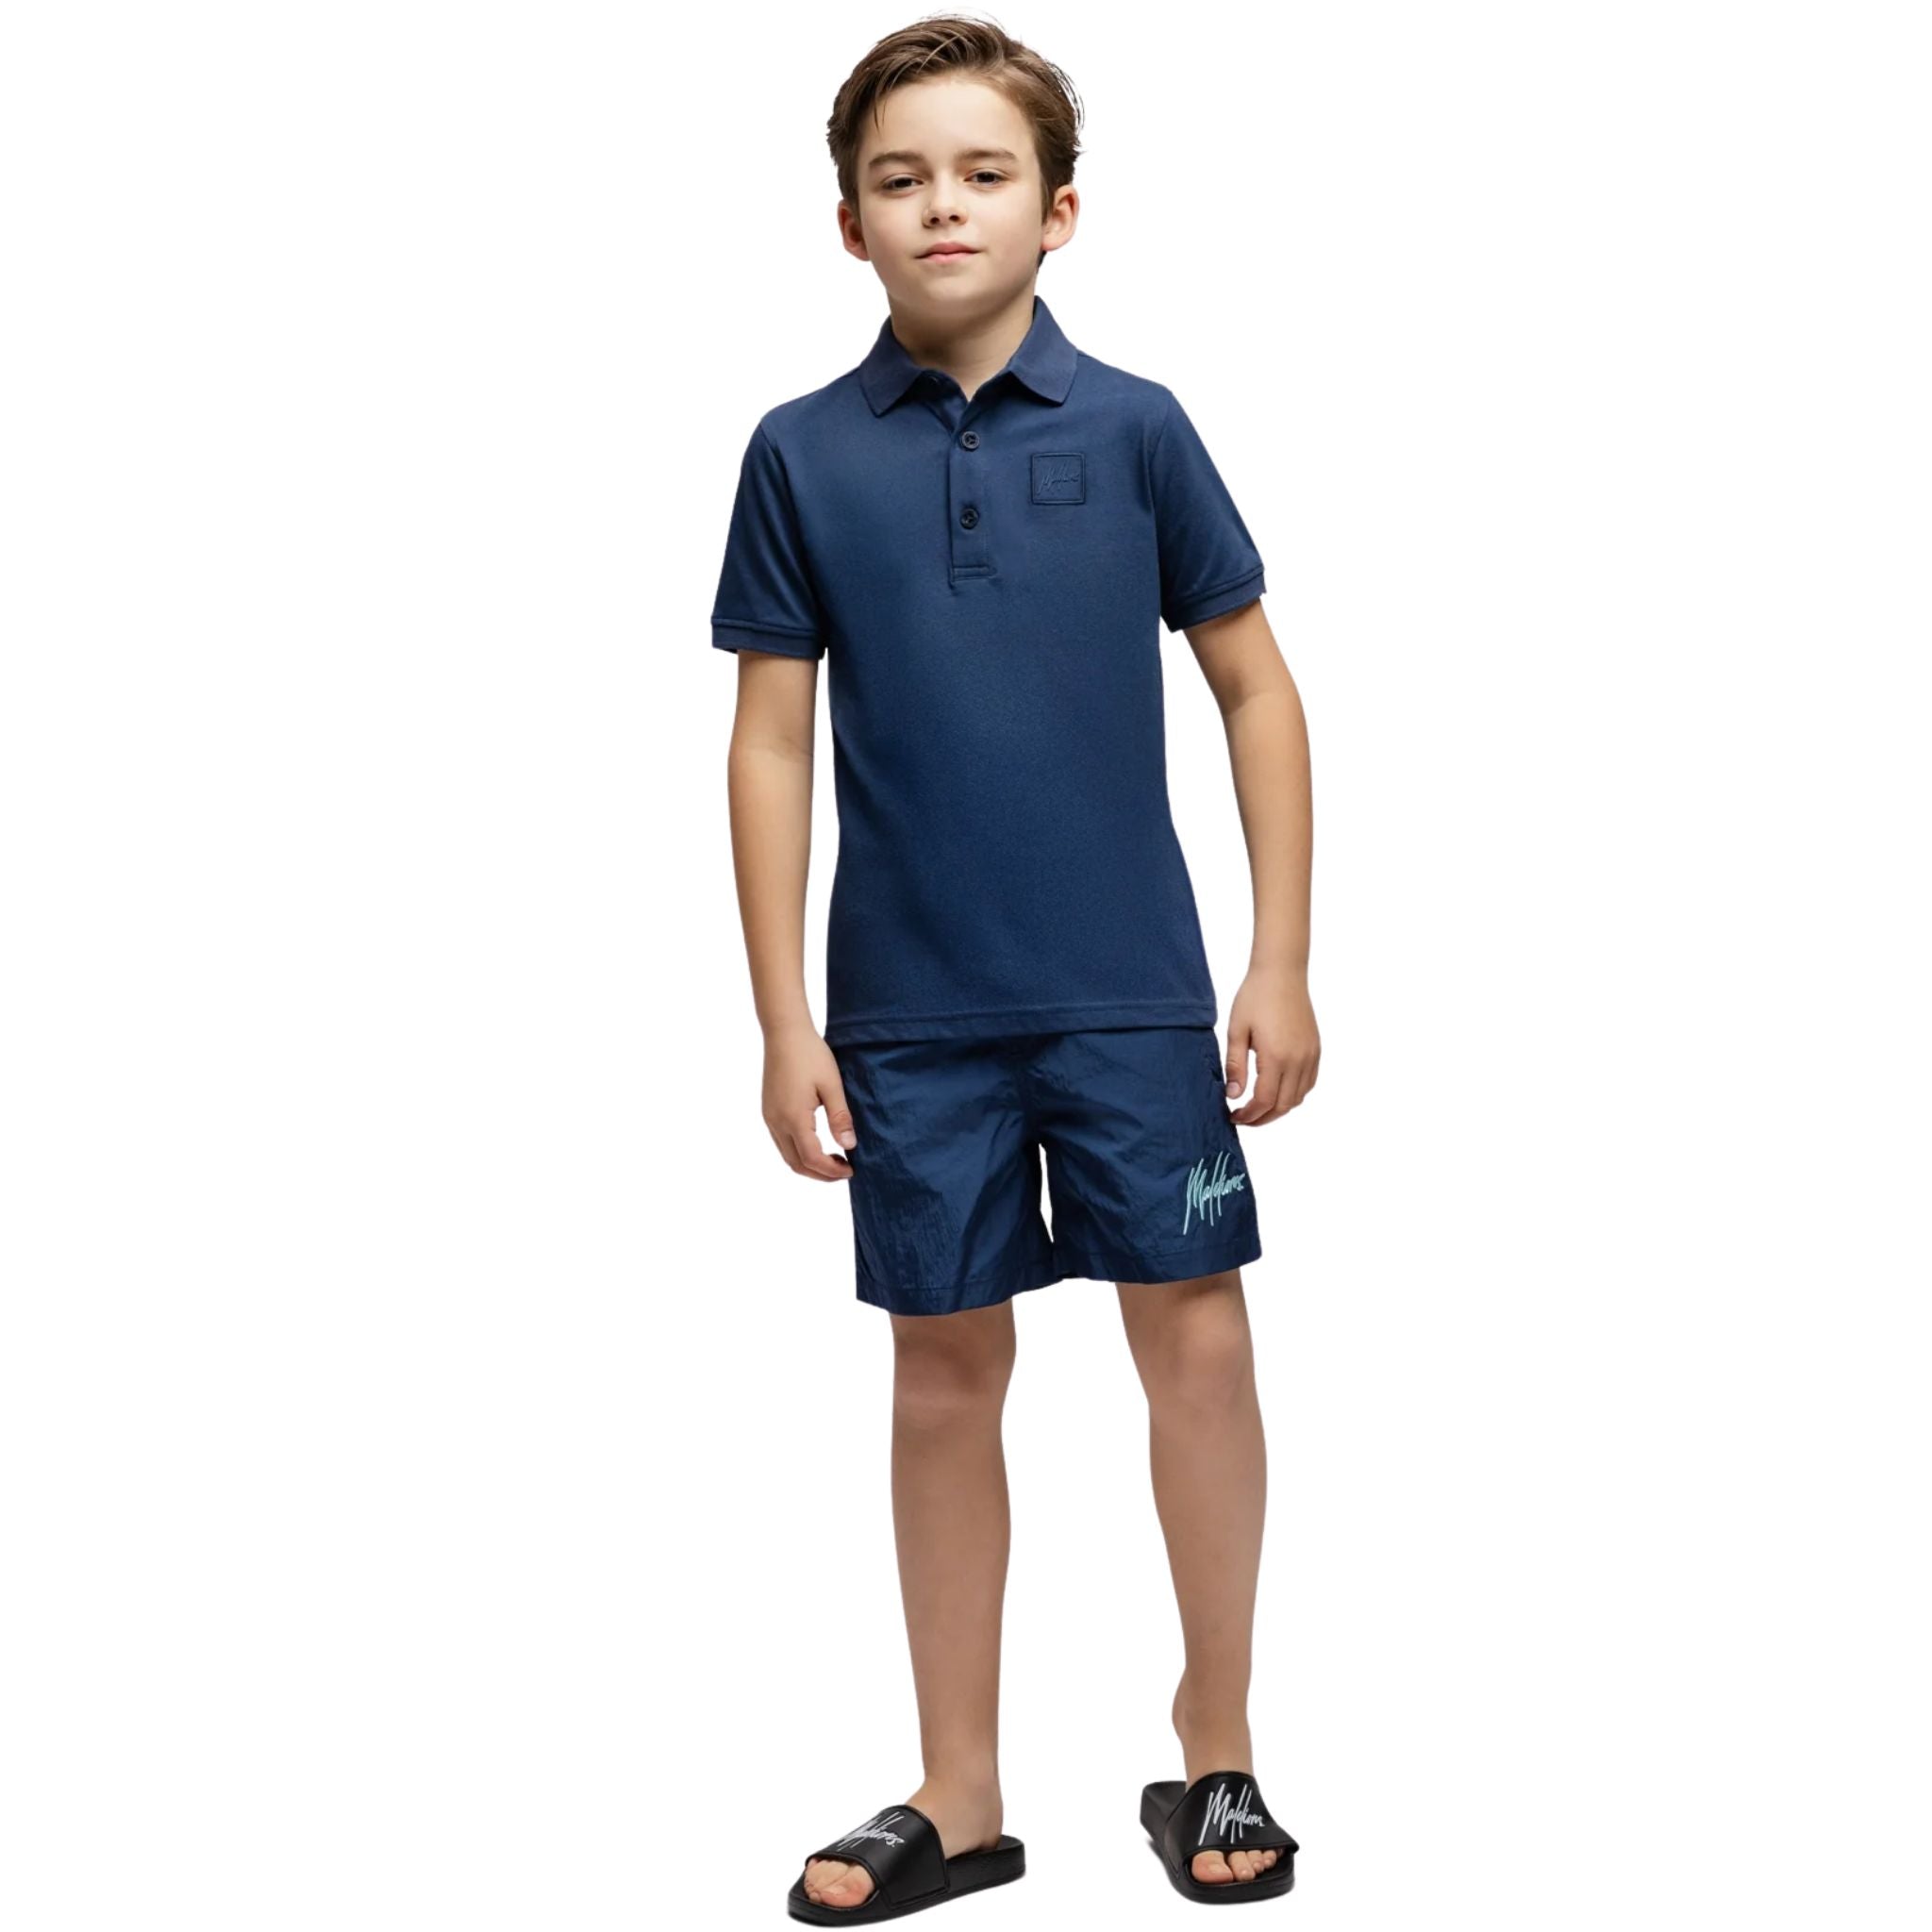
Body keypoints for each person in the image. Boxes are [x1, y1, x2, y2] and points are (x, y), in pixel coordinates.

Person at [710, 18, 1318, 1919]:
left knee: (1195, 1338)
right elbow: (769, 742)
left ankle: (1214, 1741)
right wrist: (784, 1019)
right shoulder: (799, 453)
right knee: (940, 1369)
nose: (942, 206)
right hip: (908, 1012)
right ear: (847, 224)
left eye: (983, 173)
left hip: (1132, 994)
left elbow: (1256, 689)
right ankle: (958, 1790)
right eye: (900, 180)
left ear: (1059, 210)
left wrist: (1279, 959)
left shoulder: (1136, 428)